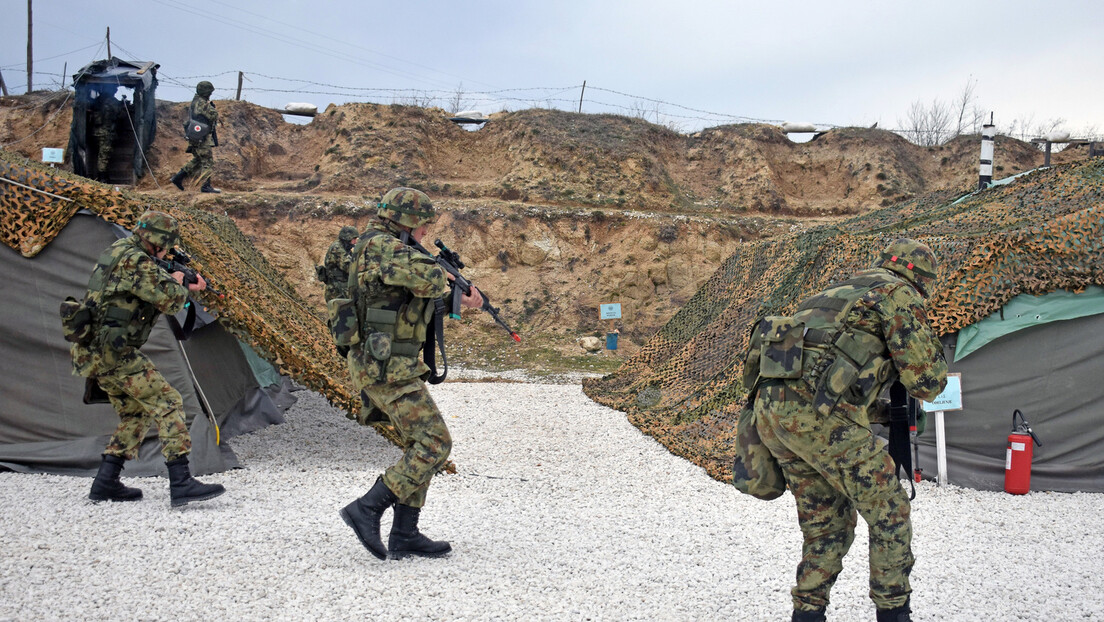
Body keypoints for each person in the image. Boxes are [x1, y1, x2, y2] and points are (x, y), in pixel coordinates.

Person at [744, 238, 948, 622]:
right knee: (890, 509)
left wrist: (886, 412)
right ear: (921, 278)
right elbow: (927, 381)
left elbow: (831, 370)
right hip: (821, 420)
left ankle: (807, 613)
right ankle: (894, 613)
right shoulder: (898, 294)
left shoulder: (831, 295)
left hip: (773, 417)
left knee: (826, 523)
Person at [339, 187, 483, 561]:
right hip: (385, 368)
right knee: (435, 444)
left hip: (394, 365)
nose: (423, 234)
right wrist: (457, 288)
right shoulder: (380, 246)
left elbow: (418, 288)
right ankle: (367, 508)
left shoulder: (387, 247)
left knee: (418, 443)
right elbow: (431, 279)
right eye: (421, 226)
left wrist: (457, 292)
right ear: (403, 221)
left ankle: (405, 532)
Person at [72, 210, 226, 508]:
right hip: (113, 353)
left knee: (136, 413)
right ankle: (181, 482)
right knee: (168, 402)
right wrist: (182, 282)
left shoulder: (119, 250)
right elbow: (170, 300)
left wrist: (174, 276)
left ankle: (106, 482)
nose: (167, 251)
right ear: (157, 241)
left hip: (96, 351)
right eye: (166, 245)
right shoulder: (136, 261)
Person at [170, 81, 220, 193]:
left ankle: (178, 177)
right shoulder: (202, 103)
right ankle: (206, 186)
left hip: (196, 136)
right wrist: (212, 108)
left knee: (198, 160)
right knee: (207, 161)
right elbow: (214, 115)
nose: (210, 95)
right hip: (202, 138)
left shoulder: (195, 101)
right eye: (209, 92)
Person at [89, 83, 125, 182]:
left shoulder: (96, 101)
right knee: (104, 156)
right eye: (114, 89)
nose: (116, 91)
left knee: (98, 155)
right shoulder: (112, 101)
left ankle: (99, 175)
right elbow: (121, 115)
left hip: (95, 132)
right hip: (106, 132)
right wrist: (122, 105)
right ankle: (102, 178)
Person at [320, 225, 360, 302]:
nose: (355, 241)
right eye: (354, 239)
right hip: (336, 291)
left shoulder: (345, 248)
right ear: (347, 238)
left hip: (341, 288)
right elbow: (350, 268)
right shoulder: (337, 248)